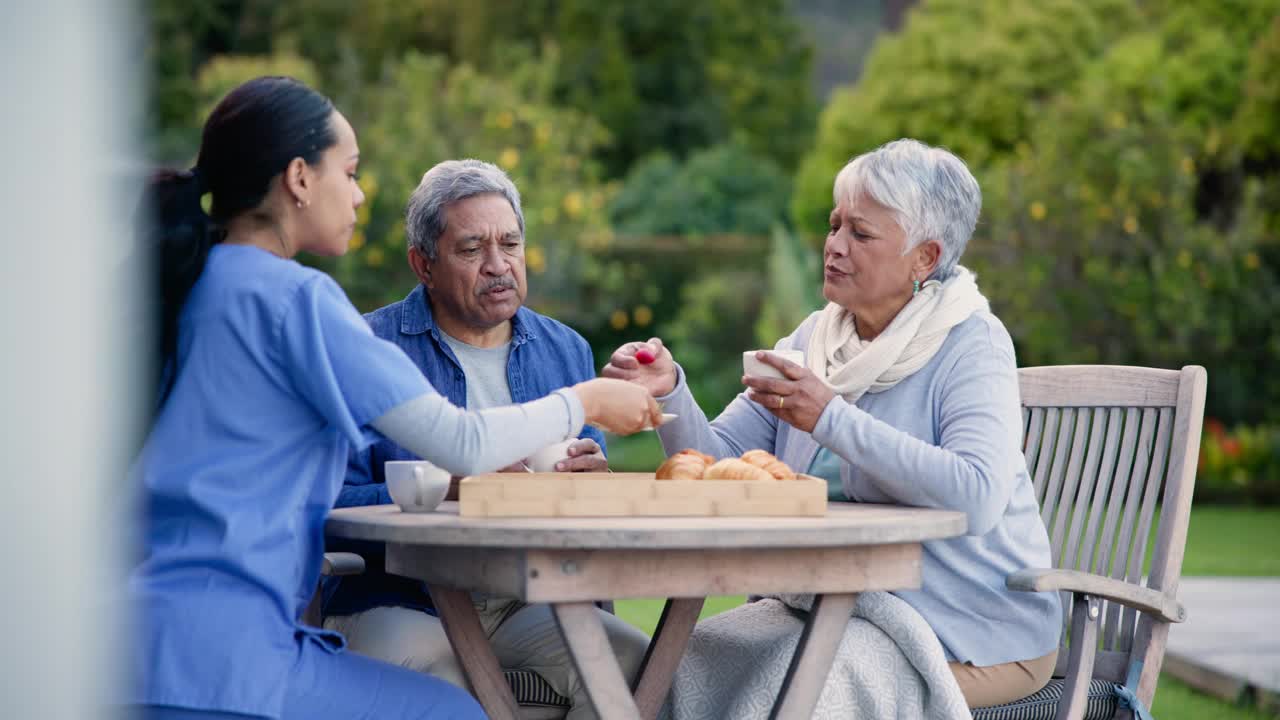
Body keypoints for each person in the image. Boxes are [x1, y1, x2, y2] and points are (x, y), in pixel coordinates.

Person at [126, 76, 660, 720]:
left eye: (510, 244)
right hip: (226, 659)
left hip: (132, 639)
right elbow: (462, 443)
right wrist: (588, 399)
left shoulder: (184, 286)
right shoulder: (300, 302)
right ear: (299, 178)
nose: (356, 195)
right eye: (348, 173)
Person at [604, 139, 1062, 709]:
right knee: (684, 665)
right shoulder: (816, 340)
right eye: (834, 225)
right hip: (824, 605)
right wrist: (669, 393)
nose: (834, 246)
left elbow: (979, 497)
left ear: (924, 257)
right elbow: (722, 465)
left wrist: (830, 418)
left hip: (969, 630)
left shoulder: (971, 343)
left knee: (804, 689)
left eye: (861, 234)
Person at [323, 159, 651, 720]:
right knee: (444, 688)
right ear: (422, 264)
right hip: (404, 597)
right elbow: (326, 503)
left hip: (527, 597)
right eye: (472, 250)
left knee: (634, 663)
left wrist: (593, 482)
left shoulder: (565, 349)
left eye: (511, 245)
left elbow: (584, 499)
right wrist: (446, 488)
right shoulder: (369, 347)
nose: (499, 266)